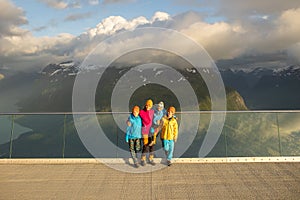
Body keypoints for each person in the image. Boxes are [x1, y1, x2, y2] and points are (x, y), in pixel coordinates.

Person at [139, 99, 155, 166]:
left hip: (151, 131)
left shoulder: (152, 111)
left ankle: (151, 159)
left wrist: (174, 116)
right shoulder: (142, 112)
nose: (147, 106)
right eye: (147, 105)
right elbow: (147, 120)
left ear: (151, 106)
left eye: (149, 105)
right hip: (145, 131)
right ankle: (143, 159)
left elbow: (160, 114)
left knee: (152, 145)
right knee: (145, 145)